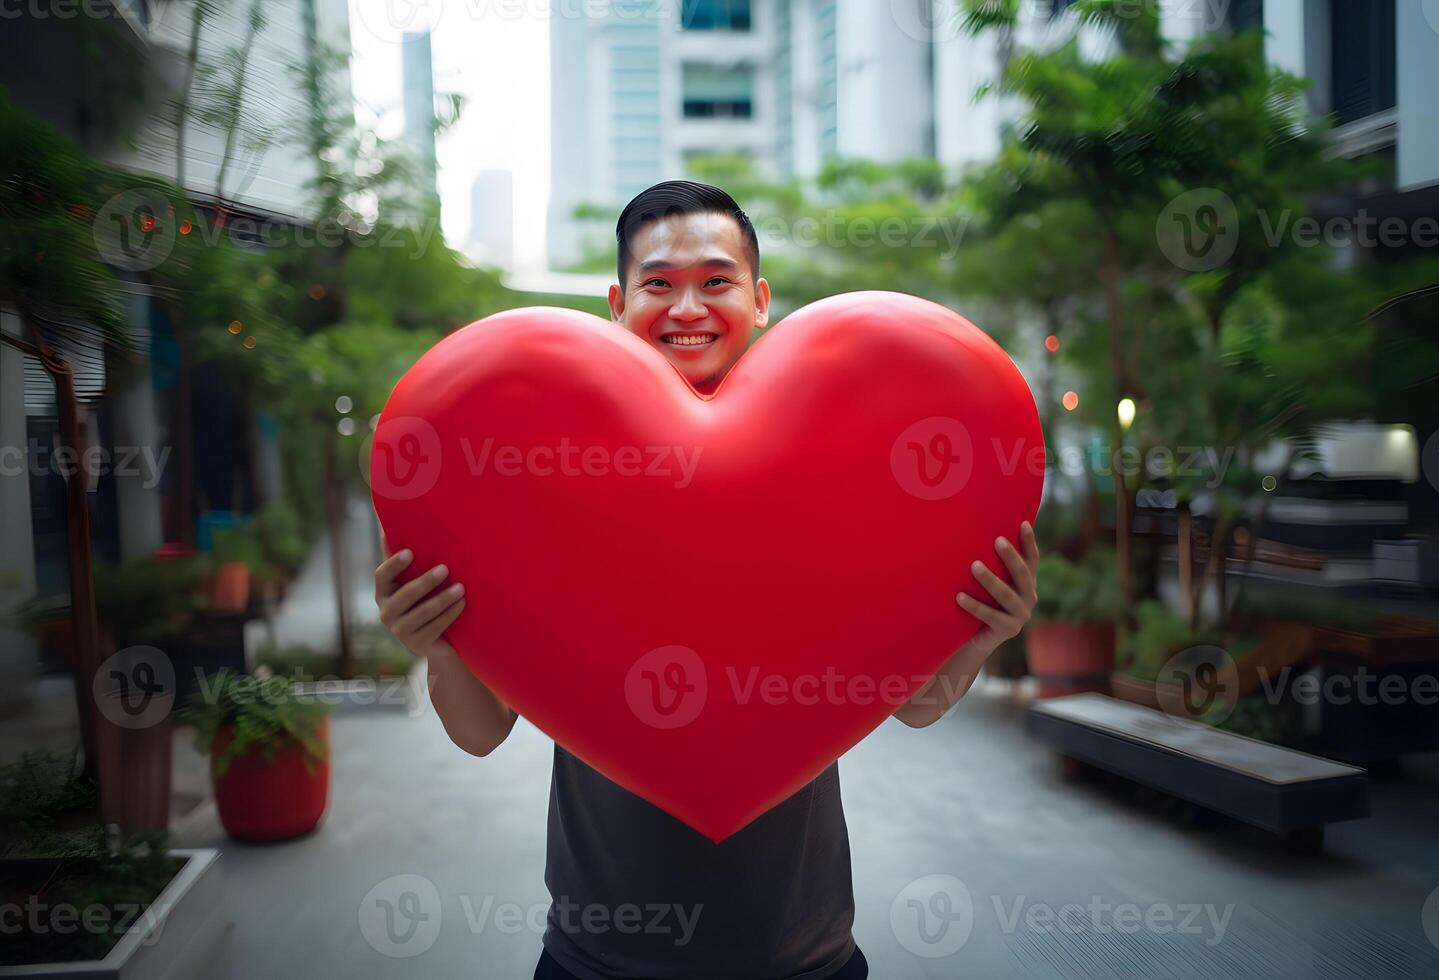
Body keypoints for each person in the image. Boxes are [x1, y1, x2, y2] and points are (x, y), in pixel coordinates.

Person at [374, 181, 1041, 979]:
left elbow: (916, 706)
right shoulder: (556, 474)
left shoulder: (828, 470)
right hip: (598, 962)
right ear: (619, 303)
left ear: (759, 300)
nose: (687, 305)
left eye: (715, 281)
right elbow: (482, 733)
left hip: (804, 959)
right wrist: (439, 647)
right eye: (659, 283)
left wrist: (982, 637)